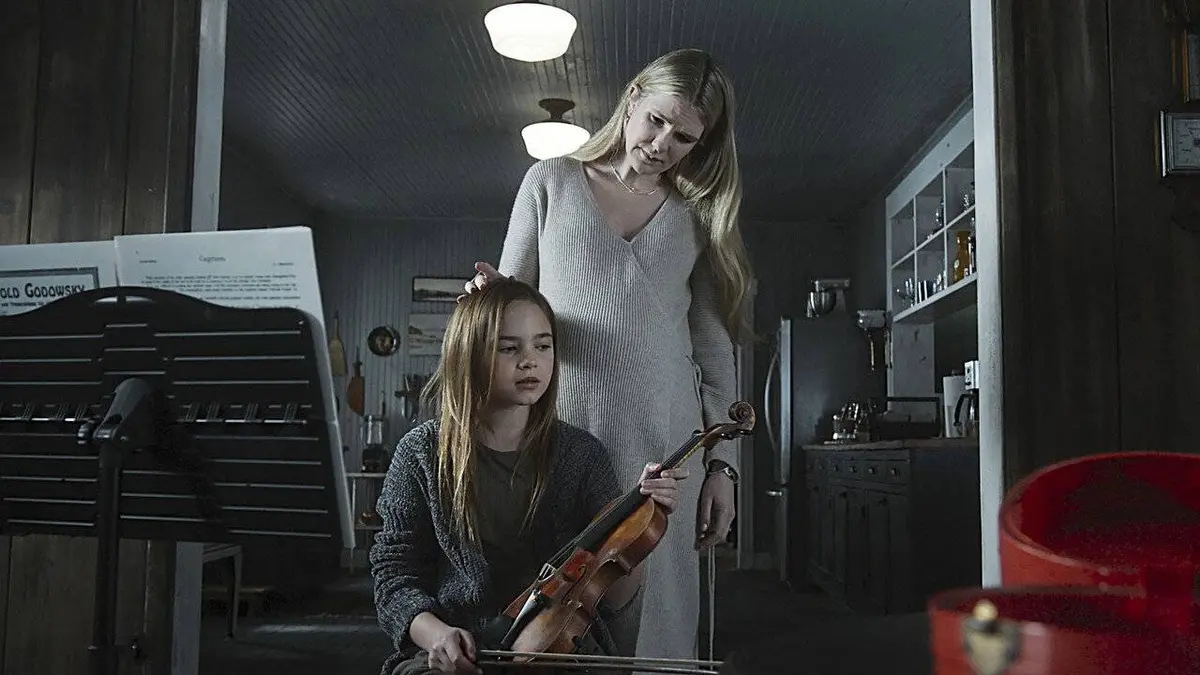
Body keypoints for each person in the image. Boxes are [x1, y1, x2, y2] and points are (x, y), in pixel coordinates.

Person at [460, 48, 752, 663]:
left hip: (667, 452)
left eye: (684, 137)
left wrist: (724, 468)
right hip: (561, 437)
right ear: (632, 97)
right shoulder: (551, 181)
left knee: (659, 632)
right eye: (656, 120)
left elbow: (713, 348)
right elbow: (512, 306)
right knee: (554, 619)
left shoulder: (697, 215)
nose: (662, 144)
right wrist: (487, 297)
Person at [371, 278, 688, 675]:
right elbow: (394, 577)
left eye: (543, 346)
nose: (530, 361)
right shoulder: (420, 452)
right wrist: (438, 636)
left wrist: (639, 519)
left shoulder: (581, 453)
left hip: (559, 652)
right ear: (469, 353)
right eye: (509, 348)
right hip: (451, 646)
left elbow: (614, 598)